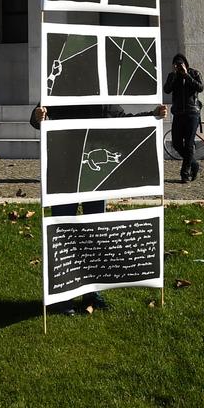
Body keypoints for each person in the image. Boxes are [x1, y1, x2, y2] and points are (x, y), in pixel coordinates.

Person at [30, 99, 167, 314]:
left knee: (95, 233)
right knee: (63, 232)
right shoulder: (59, 92)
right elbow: (38, 117)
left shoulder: (102, 96)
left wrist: (154, 114)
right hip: (64, 175)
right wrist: (39, 116)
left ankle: (91, 295)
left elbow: (122, 120)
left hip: (94, 180)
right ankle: (62, 297)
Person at [163, 52, 204, 183]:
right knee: (176, 143)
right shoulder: (172, 76)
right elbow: (167, 90)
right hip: (178, 114)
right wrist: (175, 76)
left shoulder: (194, 73)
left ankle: (185, 174)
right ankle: (194, 164)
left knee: (188, 145)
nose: (177, 67)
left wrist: (186, 75)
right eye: (175, 65)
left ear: (186, 64)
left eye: (180, 64)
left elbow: (201, 87)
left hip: (192, 113)